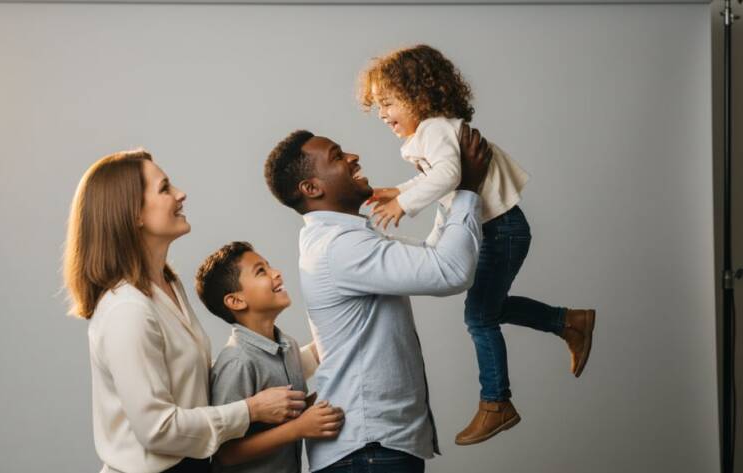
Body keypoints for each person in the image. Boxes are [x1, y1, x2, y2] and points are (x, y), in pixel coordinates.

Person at [357, 44, 597, 445]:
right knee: (489, 310)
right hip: (499, 228)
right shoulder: (434, 132)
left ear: (419, 95)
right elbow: (444, 182)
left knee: (479, 316)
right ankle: (568, 322)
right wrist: (397, 190)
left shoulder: (433, 130)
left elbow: (448, 177)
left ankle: (496, 403)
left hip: (500, 229)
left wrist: (404, 203)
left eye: (388, 102)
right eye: (376, 105)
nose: (382, 113)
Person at [63, 149, 307, 473]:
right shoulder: (127, 311)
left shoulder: (167, 286)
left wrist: (308, 356)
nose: (181, 194)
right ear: (133, 213)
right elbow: (157, 430)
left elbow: (194, 386)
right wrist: (249, 411)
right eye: (165, 188)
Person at [264, 124, 490, 473]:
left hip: (373, 449)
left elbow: (434, 255)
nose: (353, 157)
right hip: (368, 452)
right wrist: (468, 189)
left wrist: (447, 189)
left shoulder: (345, 240)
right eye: (337, 156)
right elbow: (450, 271)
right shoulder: (339, 248)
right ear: (311, 188)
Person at [195, 241, 345, 473]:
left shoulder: (288, 346)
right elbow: (226, 453)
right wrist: (299, 428)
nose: (277, 273)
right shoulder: (237, 362)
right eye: (261, 271)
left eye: (269, 266)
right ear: (236, 300)